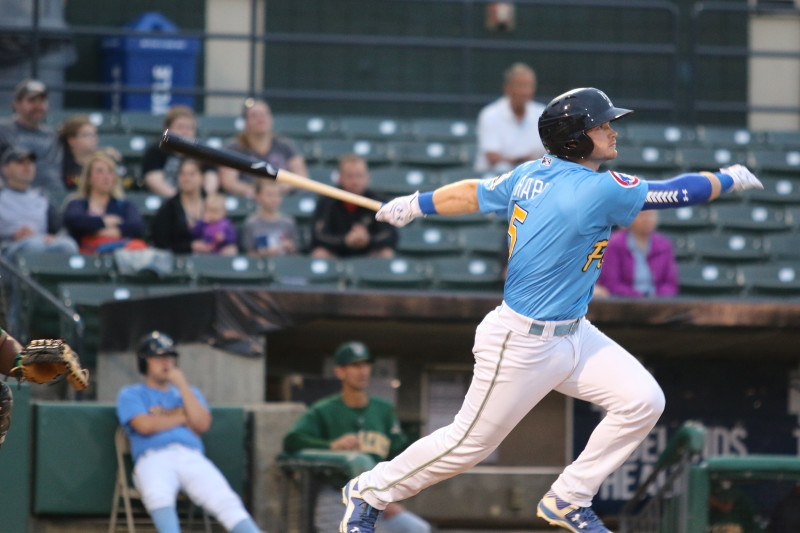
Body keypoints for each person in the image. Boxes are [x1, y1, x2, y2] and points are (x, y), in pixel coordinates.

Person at [339, 87, 764, 533]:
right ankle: (369, 491)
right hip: (521, 341)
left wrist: (418, 203)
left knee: (642, 401)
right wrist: (728, 178)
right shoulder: (598, 189)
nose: (612, 131)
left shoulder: (530, 173)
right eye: (601, 126)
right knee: (468, 445)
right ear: (575, 139)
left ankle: (568, 499)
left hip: (573, 333)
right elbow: (676, 193)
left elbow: (473, 192)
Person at [116, 331, 261, 533]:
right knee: (158, 494)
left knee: (225, 500)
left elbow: (201, 424)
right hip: (153, 457)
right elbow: (144, 426)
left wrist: (182, 385)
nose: (165, 362)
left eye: (169, 357)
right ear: (144, 362)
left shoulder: (189, 392)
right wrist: (185, 417)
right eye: (158, 357)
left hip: (190, 455)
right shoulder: (131, 393)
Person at [283, 341, 431, 533]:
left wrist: (390, 496)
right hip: (337, 496)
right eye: (355, 366)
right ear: (340, 371)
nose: (362, 371)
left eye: (365, 365)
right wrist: (330, 445)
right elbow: (292, 441)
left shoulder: (383, 410)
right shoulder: (324, 409)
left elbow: (398, 451)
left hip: (376, 496)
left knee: (418, 529)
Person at [310, 153, 397, 259]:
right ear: (340, 177)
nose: (355, 182)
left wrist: (368, 239)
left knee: (386, 253)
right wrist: (345, 240)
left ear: (367, 177)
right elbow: (317, 236)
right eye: (349, 176)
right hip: (336, 253)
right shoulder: (326, 201)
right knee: (319, 253)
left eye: (359, 176)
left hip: (369, 252)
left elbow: (391, 235)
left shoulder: (378, 201)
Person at [218, 98, 308, 198]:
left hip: (282, 200)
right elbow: (228, 182)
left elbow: (301, 175)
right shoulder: (233, 147)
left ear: (271, 119)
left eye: (264, 114)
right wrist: (257, 193)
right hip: (247, 199)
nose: (260, 119)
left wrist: (276, 191)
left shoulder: (285, 145)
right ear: (246, 122)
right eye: (254, 115)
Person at [0, 146, 78, 260]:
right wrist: (12, 235)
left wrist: (53, 237)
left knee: (69, 246)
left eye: (30, 163)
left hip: (41, 242)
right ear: (5, 169)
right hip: (8, 248)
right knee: (33, 246)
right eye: (20, 162)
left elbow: (60, 229)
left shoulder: (42, 197)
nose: (27, 167)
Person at [62, 151, 146, 254]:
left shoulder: (126, 206)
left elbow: (136, 226)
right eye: (99, 171)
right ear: (88, 178)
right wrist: (105, 221)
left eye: (110, 171)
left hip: (121, 252)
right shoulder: (77, 204)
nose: (106, 177)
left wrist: (110, 231)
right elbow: (74, 220)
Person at [474, 63, 546, 173]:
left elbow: (550, 155)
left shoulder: (543, 114)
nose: (524, 92)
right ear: (507, 88)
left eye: (528, 86)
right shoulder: (490, 114)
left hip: (533, 178)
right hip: (495, 180)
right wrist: (523, 160)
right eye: (520, 86)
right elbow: (493, 158)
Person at [0, 79, 64, 198]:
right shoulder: (3, 129)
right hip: (15, 197)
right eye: (31, 101)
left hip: (51, 196)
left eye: (42, 101)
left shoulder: (52, 134)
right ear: (17, 105)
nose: (38, 106)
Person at [594, 210, 678, 298]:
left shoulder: (665, 245)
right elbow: (611, 283)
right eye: (642, 215)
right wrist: (639, 297)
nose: (647, 219)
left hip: (658, 303)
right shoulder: (614, 245)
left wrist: (657, 298)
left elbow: (670, 283)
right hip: (623, 303)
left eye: (650, 215)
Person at [141, 105, 218, 197]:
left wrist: (200, 198)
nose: (185, 132)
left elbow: (211, 179)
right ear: (167, 129)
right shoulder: (156, 150)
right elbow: (154, 180)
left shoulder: (203, 151)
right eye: (180, 127)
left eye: (189, 128)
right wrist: (179, 200)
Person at [59, 115, 132, 191]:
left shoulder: (107, 159)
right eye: (87, 135)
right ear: (71, 140)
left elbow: (127, 179)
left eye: (95, 134)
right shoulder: (60, 164)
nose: (94, 138)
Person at [151, 158, 209, 254]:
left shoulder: (213, 204)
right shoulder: (168, 208)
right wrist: (190, 246)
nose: (187, 178)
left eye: (192, 174)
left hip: (210, 259)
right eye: (182, 174)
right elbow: (161, 242)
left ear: (202, 177)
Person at [241, 179, 299, 257]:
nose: (274, 199)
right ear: (257, 196)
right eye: (269, 195)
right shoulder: (251, 224)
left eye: (278, 194)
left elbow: (295, 254)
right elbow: (249, 254)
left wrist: (289, 246)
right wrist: (266, 253)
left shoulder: (289, 223)